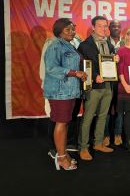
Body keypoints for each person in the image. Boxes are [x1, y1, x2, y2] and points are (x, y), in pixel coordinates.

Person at [43, 18, 87, 170]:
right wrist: (74, 73)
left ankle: (63, 153)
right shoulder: (55, 45)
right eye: (67, 29)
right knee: (61, 122)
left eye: (73, 28)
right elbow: (51, 68)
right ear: (59, 31)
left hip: (69, 91)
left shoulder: (69, 45)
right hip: (59, 92)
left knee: (65, 122)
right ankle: (61, 158)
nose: (72, 32)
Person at [78, 16, 116, 161]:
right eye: (100, 26)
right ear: (93, 27)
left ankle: (98, 143)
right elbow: (82, 65)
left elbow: (109, 63)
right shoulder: (84, 45)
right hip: (93, 86)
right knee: (88, 117)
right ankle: (83, 147)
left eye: (105, 26)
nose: (103, 29)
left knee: (103, 116)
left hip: (108, 85)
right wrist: (94, 76)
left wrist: (115, 60)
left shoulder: (109, 44)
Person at [103, 20, 124, 147]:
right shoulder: (104, 42)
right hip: (108, 80)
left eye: (118, 26)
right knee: (106, 108)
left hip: (122, 80)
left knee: (120, 108)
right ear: (109, 28)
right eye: (113, 26)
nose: (116, 28)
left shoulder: (125, 42)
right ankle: (105, 135)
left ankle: (117, 133)